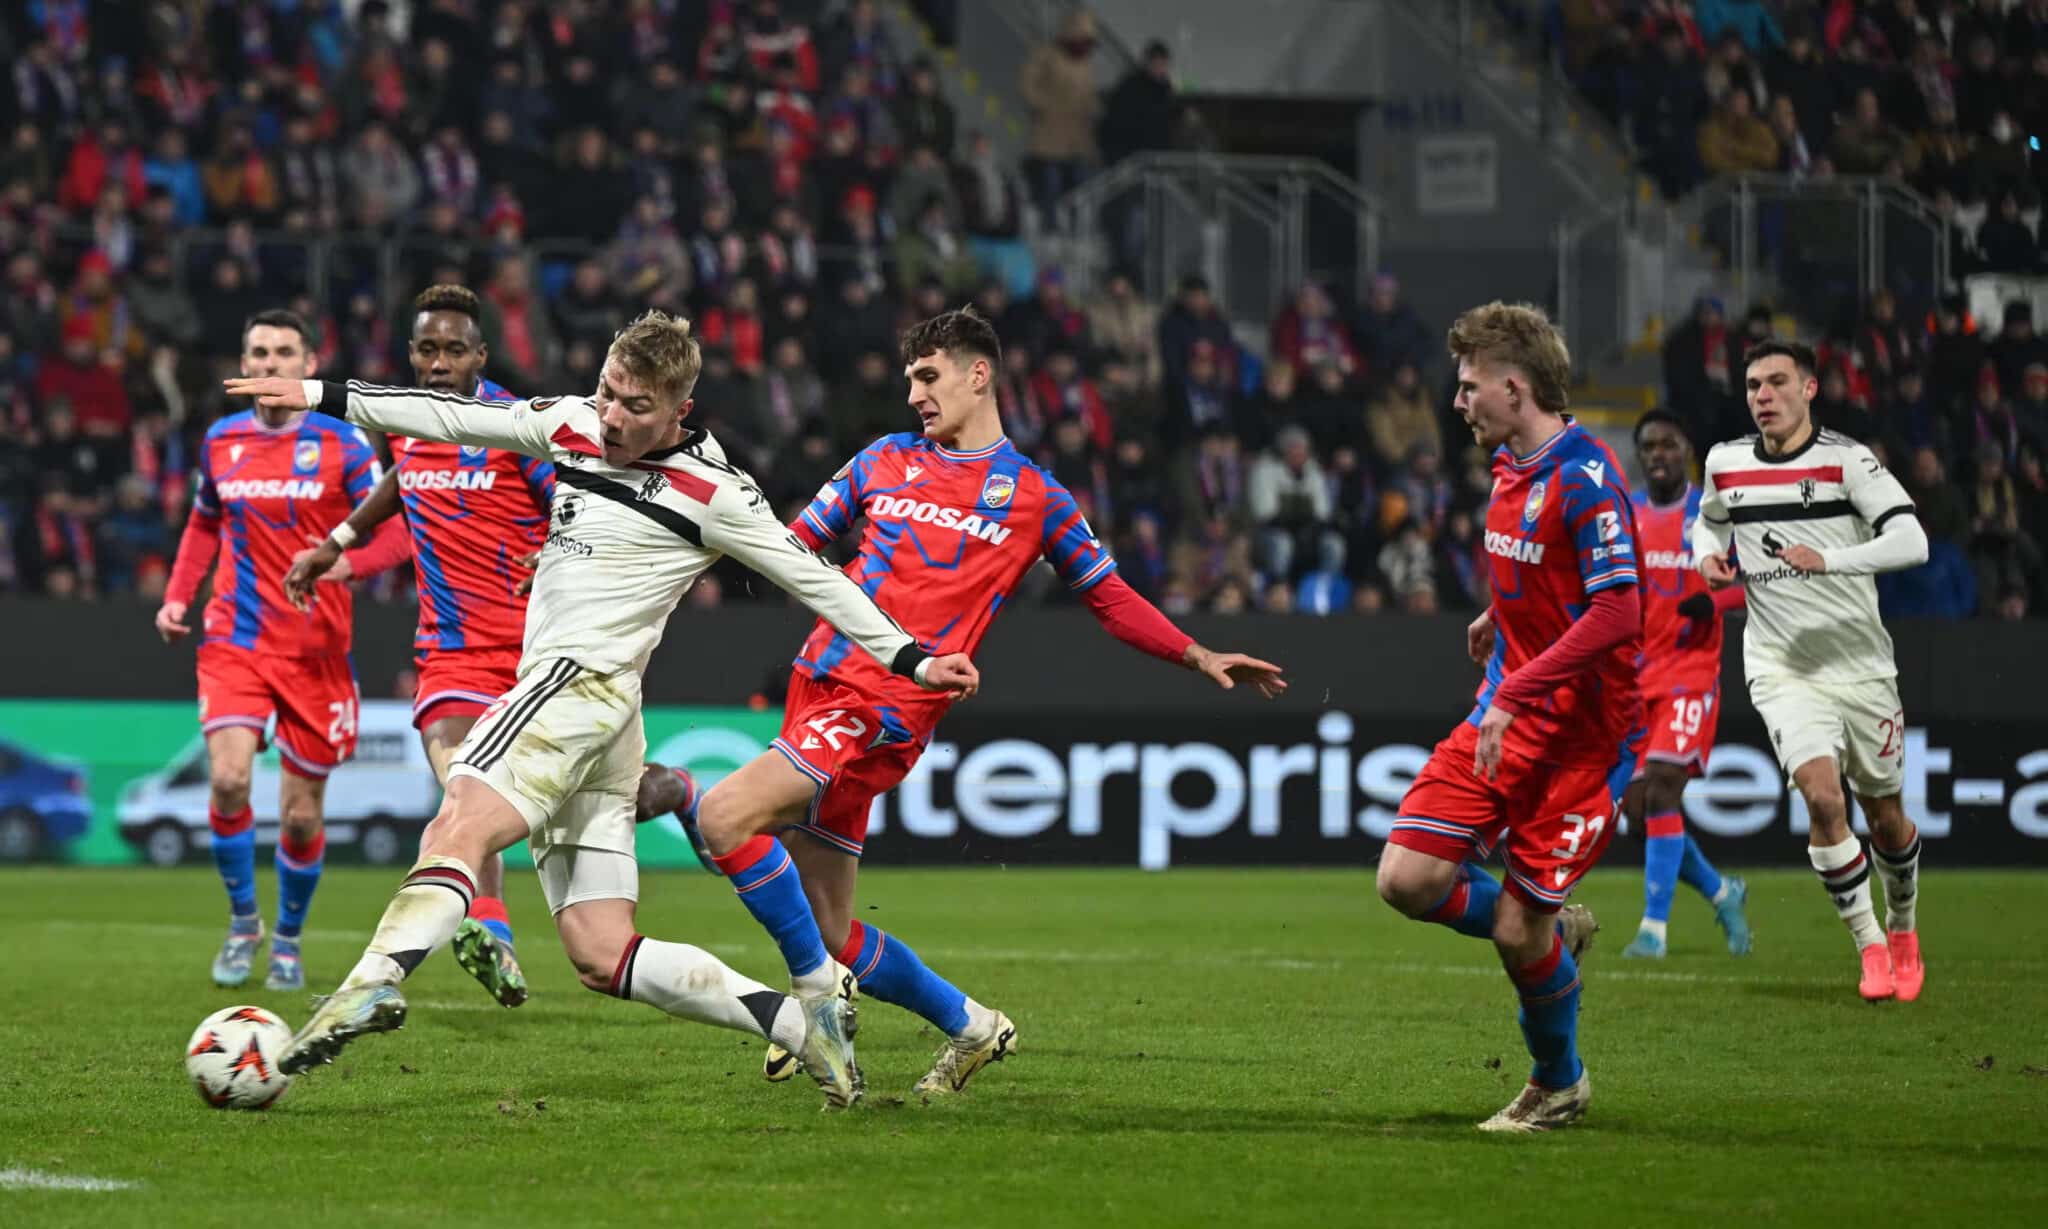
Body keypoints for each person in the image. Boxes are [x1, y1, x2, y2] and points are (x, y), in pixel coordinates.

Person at [224, 312, 978, 1110]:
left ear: (680, 411)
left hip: (571, 688)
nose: (613, 418)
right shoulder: (573, 424)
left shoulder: (716, 495)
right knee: (599, 949)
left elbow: (815, 578)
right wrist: (315, 392)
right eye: (609, 394)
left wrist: (914, 658)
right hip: (611, 722)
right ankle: (801, 1024)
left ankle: (371, 983)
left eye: (636, 407)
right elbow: (448, 415)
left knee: (459, 823)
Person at [637, 306, 1284, 1097]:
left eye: (928, 374)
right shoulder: (881, 460)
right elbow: (787, 545)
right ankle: (972, 1023)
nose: (913, 392)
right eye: (911, 377)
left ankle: (809, 1006)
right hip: (819, 685)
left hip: (881, 706)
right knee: (834, 930)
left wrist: (1198, 652)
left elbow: (1109, 597)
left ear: (980, 375)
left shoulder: (1035, 498)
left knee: (725, 818)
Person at [1375, 301, 1642, 1133]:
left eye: (1468, 386)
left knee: (1515, 927)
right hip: (1508, 707)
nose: (1457, 401)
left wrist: (1522, 686)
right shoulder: (1508, 469)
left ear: (1515, 388)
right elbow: (1539, 567)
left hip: (1581, 740)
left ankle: (1558, 1082)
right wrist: (1501, 614)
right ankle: (1555, 920)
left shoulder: (1587, 478)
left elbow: (1618, 614)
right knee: (1406, 878)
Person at [282, 284, 553, 1009]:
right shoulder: (404, 422)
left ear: (480, 356)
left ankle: (682, 794)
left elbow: (570, 495)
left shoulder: (513, 424)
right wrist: (337, 541)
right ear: (411, 355)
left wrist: (560, 545)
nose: (439, 362)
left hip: (536, 657)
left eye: (453, 349)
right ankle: (481, 938)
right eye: (427, 349)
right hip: (451, 657)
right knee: (465, 788)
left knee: (586, 807)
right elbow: (404, 479)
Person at [156, 309, 398, 992]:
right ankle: (243, 923)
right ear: (243, 360)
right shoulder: (222, 440)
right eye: (257, 351)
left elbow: (398, 529)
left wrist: (347, 567)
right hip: (235, 638)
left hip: (316, 651)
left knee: (299, 815)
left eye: (283, 352)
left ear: (308, 366)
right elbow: (204, 524)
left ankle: (288, 937)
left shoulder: (345, 443)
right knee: (229, 779)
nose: (268, 364)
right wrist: (179, 595)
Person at [1694, 339, 1931, 1002]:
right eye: (1752, 385)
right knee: (1823, 799)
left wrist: (1832, 561)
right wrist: (1704, 557)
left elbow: (1913, 540)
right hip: (1781, 665)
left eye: (1776, 382)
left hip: (1860, 666)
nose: (1762, 395)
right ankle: (1871, 947)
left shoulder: (1848, 461)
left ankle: (1904, 926)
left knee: (1886, 818)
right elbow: (1707, 523)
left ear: (1809, 389)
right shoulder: (1726, 461)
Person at [1619, 410, 1753, 959]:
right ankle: (1723, 892)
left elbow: (1758, 583)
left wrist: (1714, 599)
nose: (1657, 455)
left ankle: (1653, 930)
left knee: (1665, 788)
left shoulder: (1712, 513)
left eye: (1668, 444)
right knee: (1637, 812)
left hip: (1690, 676)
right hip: (1635, 680)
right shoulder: (1626, 515)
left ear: (1687, 451)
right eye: (1648, 445)